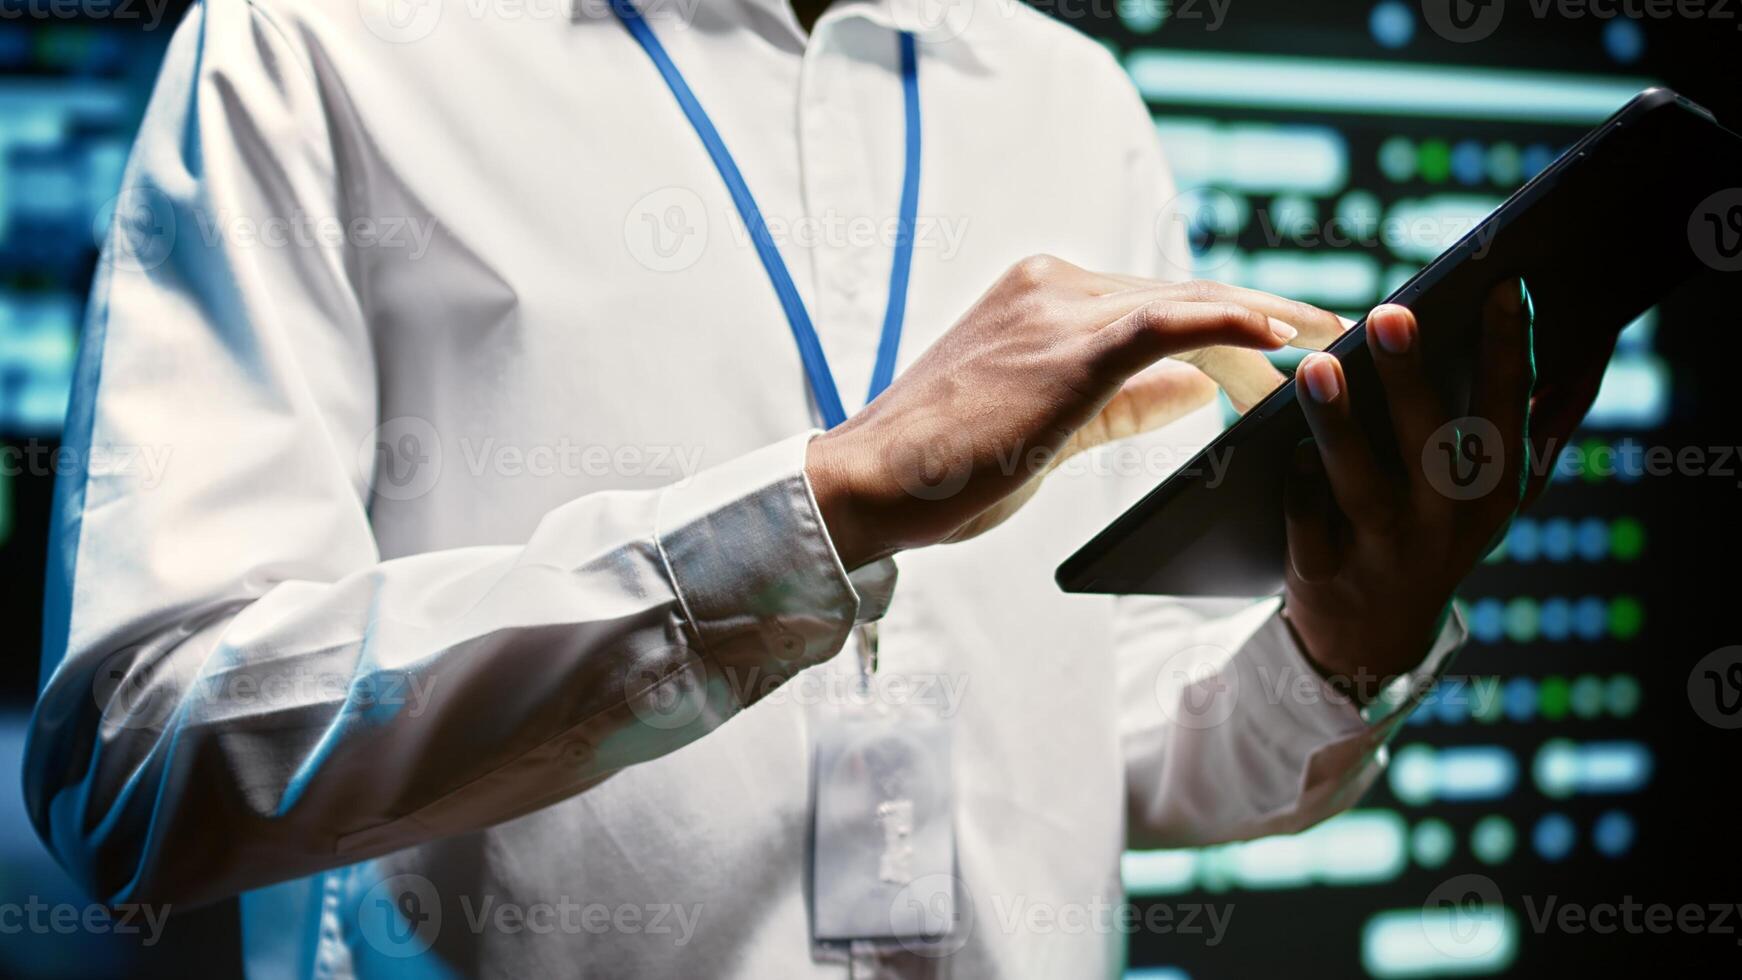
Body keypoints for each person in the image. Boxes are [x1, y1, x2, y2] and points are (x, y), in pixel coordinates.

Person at [22, 0, 1596, 975]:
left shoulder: (1068, 96)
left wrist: (1339, 640)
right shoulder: (315, 44)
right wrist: (824, 509)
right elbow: (139, 768)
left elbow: (1110, 749)